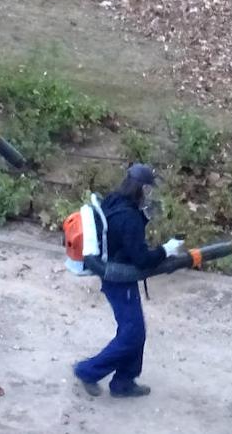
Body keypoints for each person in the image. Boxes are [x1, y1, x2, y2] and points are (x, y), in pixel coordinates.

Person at [73, 164, 185, 399]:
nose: (150, 194)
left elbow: (122, 236)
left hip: (114, 272)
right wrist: (166, 250)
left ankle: (124, 381)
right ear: (142, 188)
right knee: (132, 334)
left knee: (134, 331)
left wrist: (143, 218)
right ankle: (88, 371)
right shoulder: (130, 217)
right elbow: (143, 259)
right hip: (119, 279)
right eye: (149, 189)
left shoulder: (115, 201)